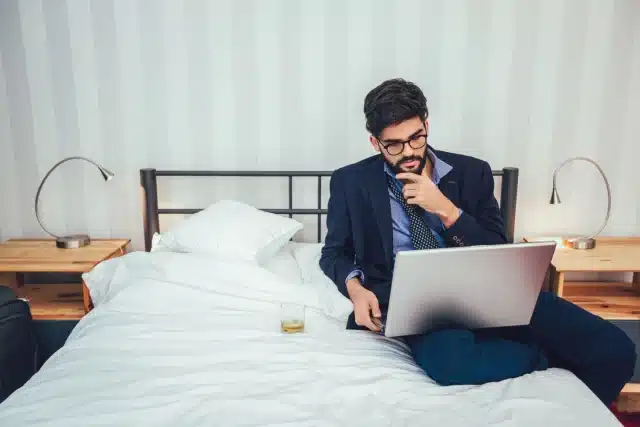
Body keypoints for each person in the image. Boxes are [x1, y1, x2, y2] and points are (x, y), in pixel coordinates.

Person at [319, 78, 636, 406]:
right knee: (453, 363)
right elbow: (334, 253)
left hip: (493, 293)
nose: (409, 151)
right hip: (421, 306)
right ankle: (548, 361)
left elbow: (497, 245)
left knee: (616, 351)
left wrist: (446, 210)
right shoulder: (351, 182)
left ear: (426, 124)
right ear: (375, 143)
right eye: (394, 145)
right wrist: (356, 290)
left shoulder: (473, 173)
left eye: (416, 138)